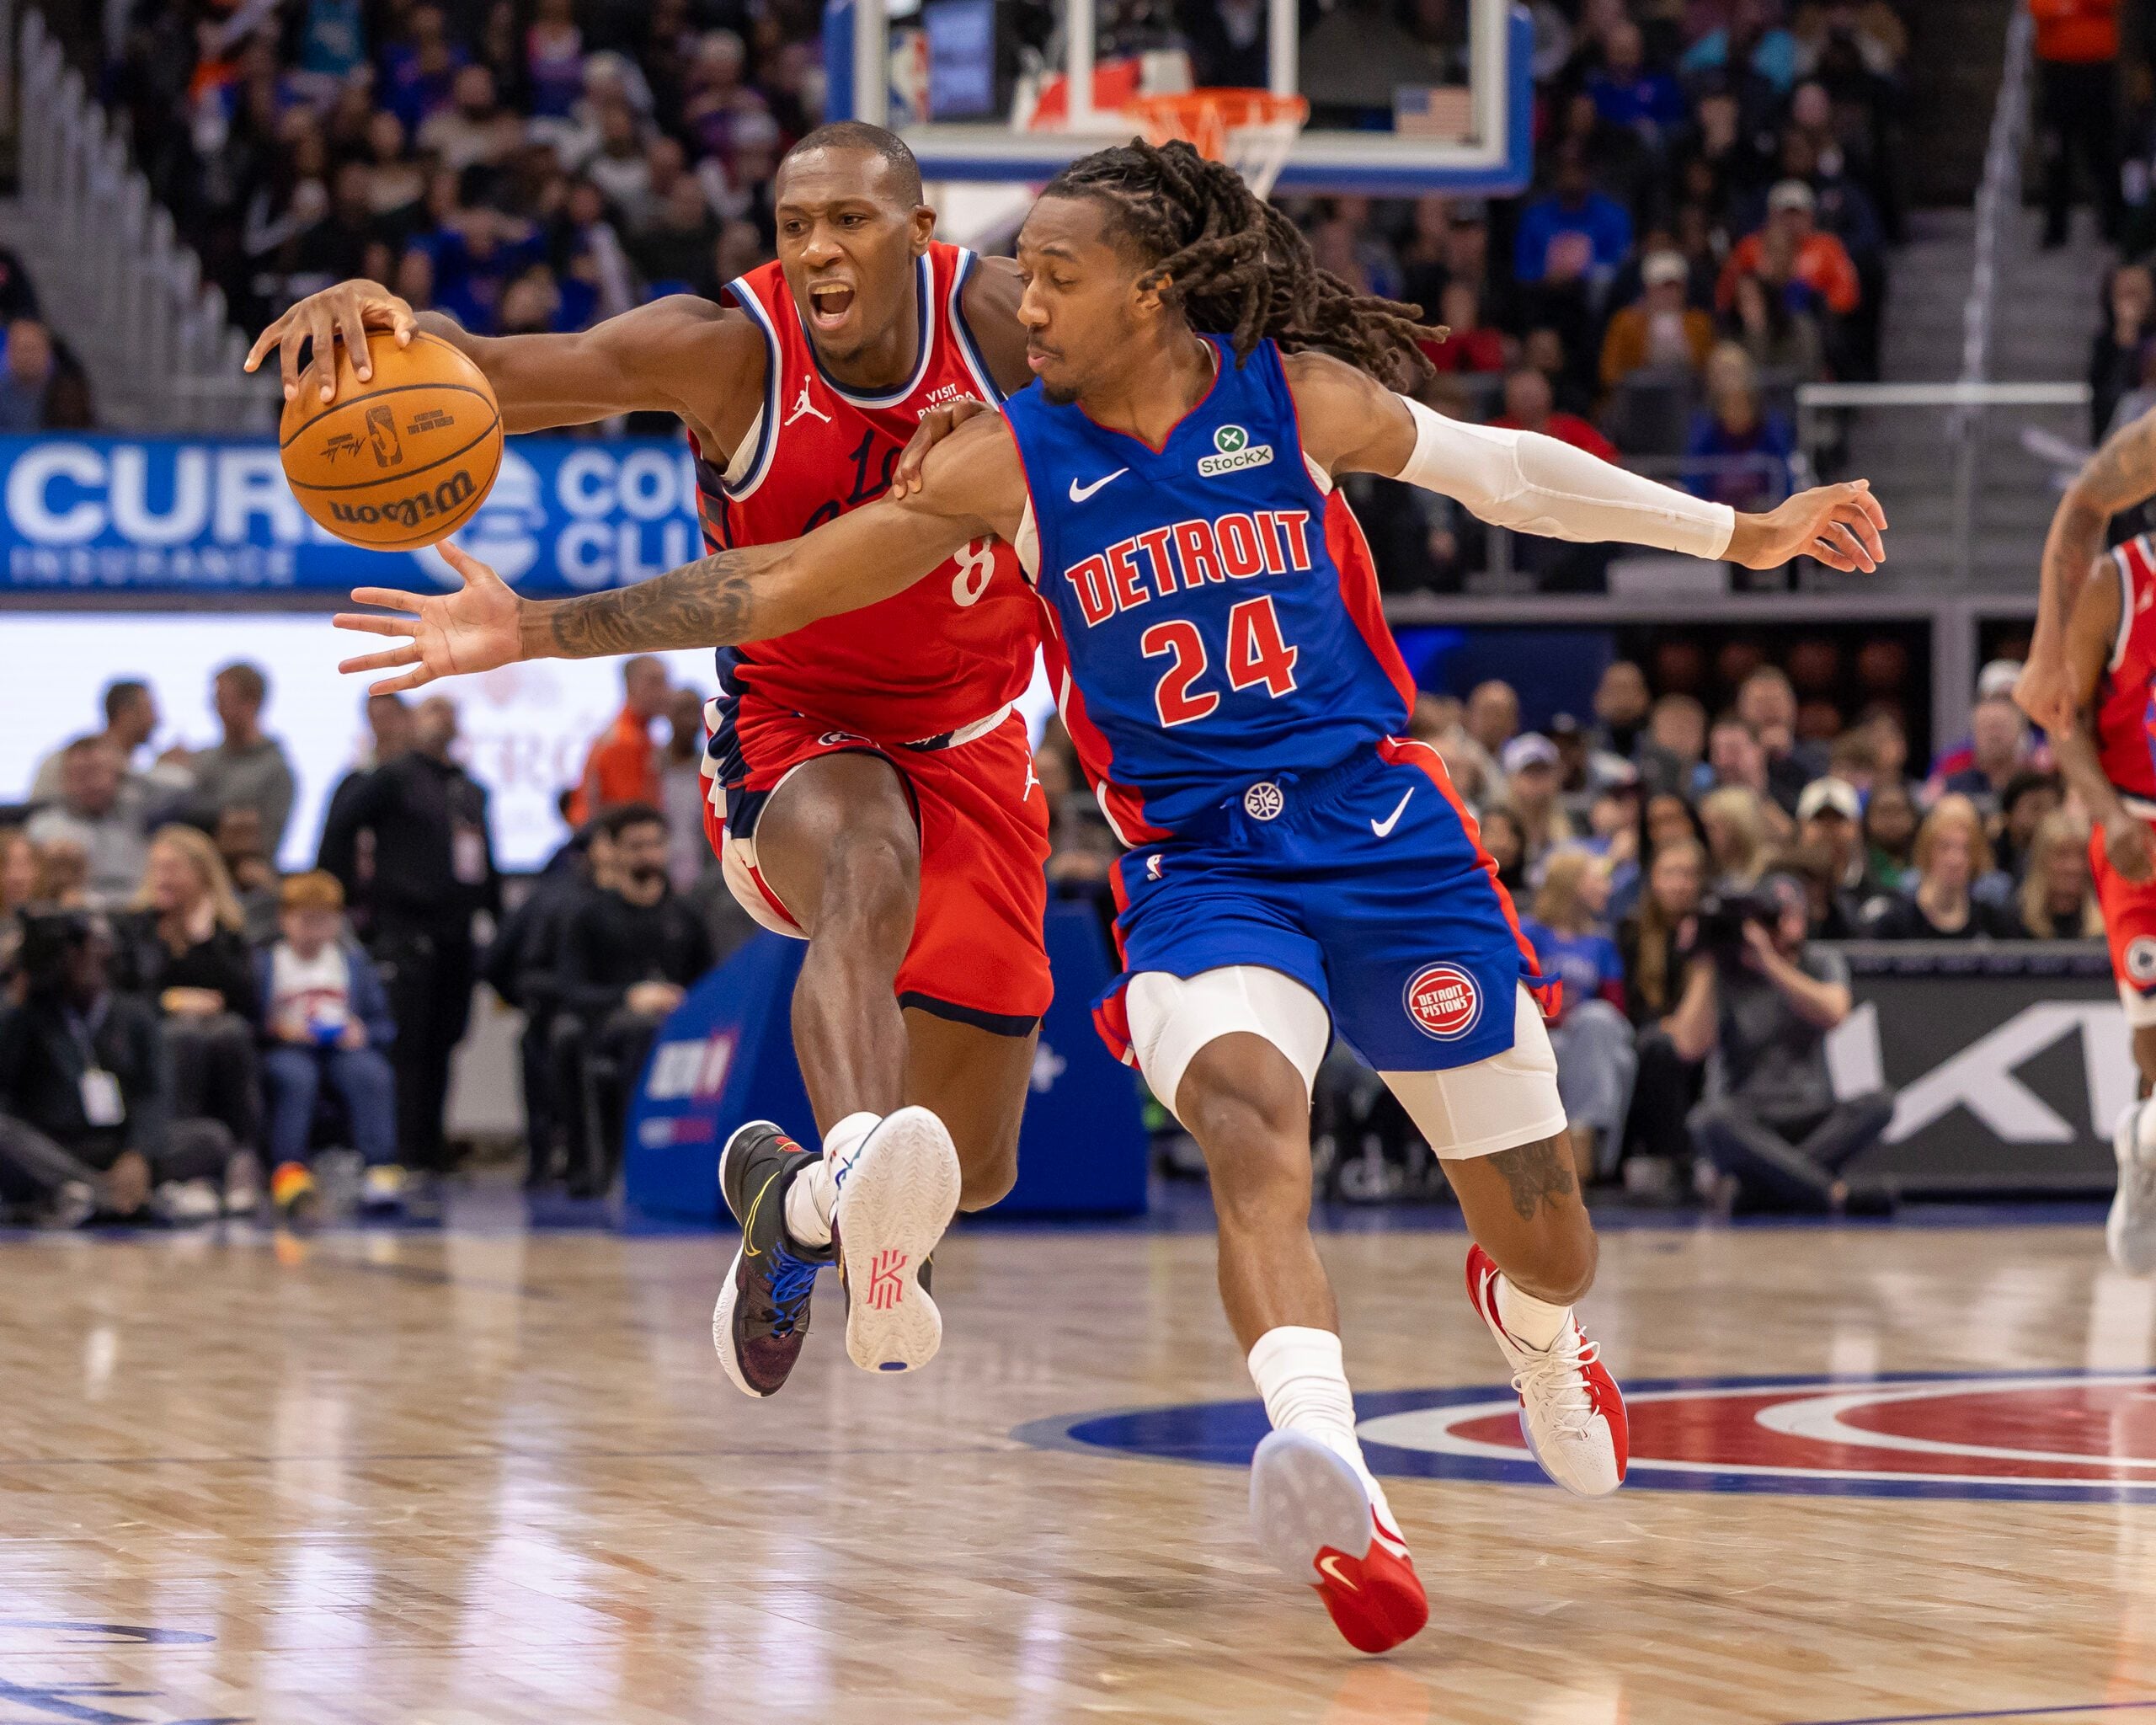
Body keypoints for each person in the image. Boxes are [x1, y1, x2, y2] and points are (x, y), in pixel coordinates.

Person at [334, 136, 1888, 1649]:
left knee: (1549, 1234)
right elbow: (780, 582)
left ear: (1148, 295)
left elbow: (1512, 478)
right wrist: (533, 631)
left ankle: (1534, 1317)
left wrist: (1739, 531)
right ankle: (1337, 1483)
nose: (1025, 308)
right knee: (1240, 1118)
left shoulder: (1290, 402)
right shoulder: (1004, 457)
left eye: (1058, 282)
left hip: (1388, 842)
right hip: (1199, 869)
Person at [256, 121, 1052, 1394]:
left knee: (979, 1165)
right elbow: (516, 371)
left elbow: (1163, 388)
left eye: (848, 222)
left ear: (920, 232)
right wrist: (385, 326)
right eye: (794, 227)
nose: (817, 252)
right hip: (797, 730)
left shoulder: (1017, 322)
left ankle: (788, 1207)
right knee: (867, 852)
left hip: (976, 738)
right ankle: (848, 1152)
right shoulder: (732, 351)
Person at [318, 695, 499, 1199]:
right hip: (406, 932)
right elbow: (341, 827)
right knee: (407, 1042)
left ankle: (429, 1148)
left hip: (457, 933)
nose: (445, 718)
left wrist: (496, 920)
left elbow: (486, 858)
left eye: (450, 710)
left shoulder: (468, 787)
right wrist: (346, 899)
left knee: (446, 1039)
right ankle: (396, 1151)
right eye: (434, 710)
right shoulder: (394, 778)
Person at [2037, 517, 2156, 1272]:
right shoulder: (2119, 580)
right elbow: (2061, 718)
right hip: (2138, 833)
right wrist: (2108, 814)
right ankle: (2141, 1143)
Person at [0, 912, 244, 1226]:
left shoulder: (134, 1016)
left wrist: (138, 1154)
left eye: (87, 949)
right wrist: (20, 995)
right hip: (55, 1144)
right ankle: (104, 1193)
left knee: (212, 1138)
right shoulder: (30, 1014)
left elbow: (154, 1092)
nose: (80, 961)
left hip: (120, 1143)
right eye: (70, 953)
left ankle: (83, 1194)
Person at [1670, 873, 1892, 1213]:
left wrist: (1769, 963)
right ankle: (1830, 1193)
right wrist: (1705, 963)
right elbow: (1688, 1046)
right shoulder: (1725, 968)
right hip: (1747, 1117)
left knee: (1879, 1103)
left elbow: (1834, 1013)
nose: (1788, 925)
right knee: (1708, 1121)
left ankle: (1762, 1192)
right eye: (1777, 916)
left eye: (1794, 914)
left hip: (1809, 1111)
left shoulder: (1818, 961)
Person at [554, 803, 716, 1194]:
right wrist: (629, 997)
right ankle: (621, 1167)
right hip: (612, 1026)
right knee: (635, 1036)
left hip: (682, 1029)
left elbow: (711, 985)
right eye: (635, 845)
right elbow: (572, 990)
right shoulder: (589, 917)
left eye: (654, 844)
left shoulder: (687, 917)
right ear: (614, 851)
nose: (647, 854)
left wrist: (682, 1002)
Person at [115, 825, 264, 1203]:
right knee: (184, 1036)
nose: (163, 878)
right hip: (157, 1030)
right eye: (158, 868)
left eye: (174, 869)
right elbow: (131, 994)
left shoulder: (227, 931)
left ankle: (242, 1157)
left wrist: (203, 939)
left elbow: (245, 997)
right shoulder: (137, 926)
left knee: (229, 1032)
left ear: (201, 873)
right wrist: (171, 1001)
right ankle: (191, 1162)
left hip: (221, 1029)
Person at [256, 870, 400, 1202]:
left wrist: (363, 1032)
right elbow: (251, 1018)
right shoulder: (267, 963)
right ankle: (289, 1169)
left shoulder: (353, 964)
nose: (314, 931)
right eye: (305, 921)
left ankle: (379, 1168)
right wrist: (277, 1030)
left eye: (324, 921)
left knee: (371, 1073)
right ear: (284, 920)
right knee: (295, 1078)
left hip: (342, 1047)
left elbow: (382, 1022)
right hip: (288, 1047)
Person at [1524, 850, 1636, 1182]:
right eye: (1599, 879)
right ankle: (1578, 1148)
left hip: (1586, 1036)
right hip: (1542, 1035)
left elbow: (1615, 1008)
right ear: (1572, 884)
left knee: (1596, 1021)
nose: (1607, 887)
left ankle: (1582, 1137)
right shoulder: (1529, 932)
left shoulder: (1601, 942)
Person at [2029, 0, 2121, 248]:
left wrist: (2069, 6)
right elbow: (2039, 8)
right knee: (2056, 154)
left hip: (2097, 70)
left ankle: (2113, 224)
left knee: (2102, 151)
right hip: (2057, 73)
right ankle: (2056, 228)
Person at [184, 662, 298, 861]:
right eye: (215, 701)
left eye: (223, 700)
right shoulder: (203, 759)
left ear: (251, 702)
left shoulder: (276, 770)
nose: (217, 709)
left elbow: (262, 845)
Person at [1861, 795, 2020, 939]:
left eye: (1965, 849)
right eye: (1945, 847)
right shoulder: (1895, 923)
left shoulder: (1993, 922)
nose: (1955, 860)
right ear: (1927, 851)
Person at [24, 739, 149, 910]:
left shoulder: (138, 814)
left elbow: (183, 790)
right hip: (75, 917)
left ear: (117, 774)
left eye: (98, 772)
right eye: (81, 774)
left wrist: (128, 772)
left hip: (139, 910)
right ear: (64, 780)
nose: (91, 783)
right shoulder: (44, 827)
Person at [568, 654, 669, 824]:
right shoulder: (624, 740)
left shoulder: (639, 735)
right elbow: (629, 819)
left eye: (665, 682)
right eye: (654, 682)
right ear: (630, 686)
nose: (665, 692)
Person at [28, 679, 162, 804]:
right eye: (149, 710)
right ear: (125, 714)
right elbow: (37, 812)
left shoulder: (132, 767)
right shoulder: (69, 760)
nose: (157, 720)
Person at [2015, 809, 2102, 938]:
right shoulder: (2010, 920)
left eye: (2083, 855)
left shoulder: (2109, 920)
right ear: (2041, 860)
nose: (2074, 867)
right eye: (2062, 855)